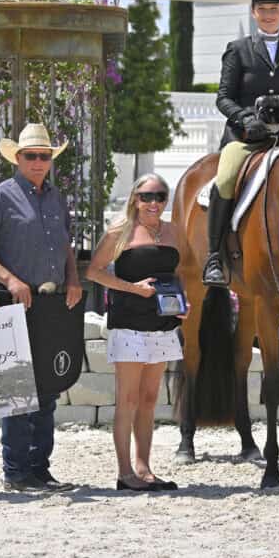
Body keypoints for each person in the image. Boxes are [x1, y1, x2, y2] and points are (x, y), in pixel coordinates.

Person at [0, 123, 84, 494]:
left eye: (44, 156)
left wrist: (74, 279)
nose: (38, 161)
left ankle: (39, 468)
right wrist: (10, 279)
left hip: (51, 303)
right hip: (15, 302)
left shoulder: (56, 198)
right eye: (31, 156)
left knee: (47, 388)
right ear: (17, 158)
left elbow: (66, 246)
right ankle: (16, 471)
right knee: (17, 389)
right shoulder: (0, 197)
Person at [202, 0, 279, 287]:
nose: (268, 15)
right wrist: (244, 118)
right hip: (246, 138)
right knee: (225, 179)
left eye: (274, 9)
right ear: (253, 12)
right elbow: (223, 97)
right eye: (263, 9)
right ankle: (214, 257)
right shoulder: (238, 51)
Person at [85, 173, 184, 491]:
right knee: (127, 398)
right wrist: (132, 288)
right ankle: (125, 473)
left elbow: (176, 273)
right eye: (146, 196)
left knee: (150, 398)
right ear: (134, 198)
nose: (153, 202)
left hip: (163, 323)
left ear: (166, 200)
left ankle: (144, 468)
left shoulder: (173, 232)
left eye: (159, 196)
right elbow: (94, 272)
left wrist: (184, 302)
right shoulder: (120, 231)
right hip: (129, 323)